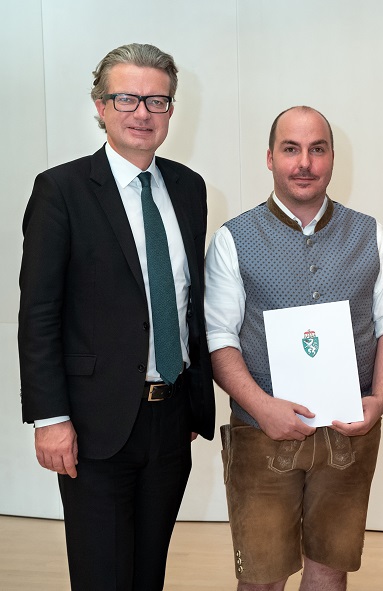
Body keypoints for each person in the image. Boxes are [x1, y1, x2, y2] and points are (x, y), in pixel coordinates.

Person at [18, 43, 215, 591]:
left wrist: (195, 398)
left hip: (171, 420)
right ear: (100, 106)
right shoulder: (61, 190)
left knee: (149, 574)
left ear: (171, 110)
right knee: (102, 576)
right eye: (126, 98)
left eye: (157, 100)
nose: (142, 112)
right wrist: (50, 418)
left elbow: (188, 300)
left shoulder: (189, 188)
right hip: (93, 424)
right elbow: (38, 313)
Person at [205, 105, 383, 591]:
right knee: (261, 579)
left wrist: (380, 400)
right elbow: (219, 337)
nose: (304, 163)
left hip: (349, 434)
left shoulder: (370, 233)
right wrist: (263, 407)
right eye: (290, 149)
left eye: (317, 149)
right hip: (263, 435)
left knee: (330, 572)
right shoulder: (234, 239)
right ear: (270, 158)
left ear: (333, 158)